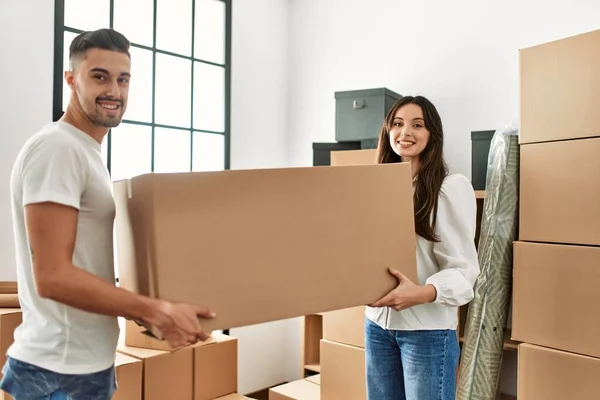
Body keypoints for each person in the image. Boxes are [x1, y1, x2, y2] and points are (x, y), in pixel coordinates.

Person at [0, 28, 214, 400]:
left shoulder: (86, 152)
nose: (114, 91)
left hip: (83, 367)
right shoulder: (58, 148)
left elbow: (79, 269)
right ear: (71, 79)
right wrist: (157, 310)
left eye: (123, 79)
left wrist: (146, 310)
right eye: (99, 76)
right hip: (58, 374)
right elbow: (53, 277)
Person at [366, 95, 480, 400]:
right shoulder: (374, 186)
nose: (405, 132)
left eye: (418, 125)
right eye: (398, 124)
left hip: (426, 332)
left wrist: (421, 293)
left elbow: (464, 271)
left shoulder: (448, 187)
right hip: (377, 326)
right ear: (387, 131)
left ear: (432, 135)